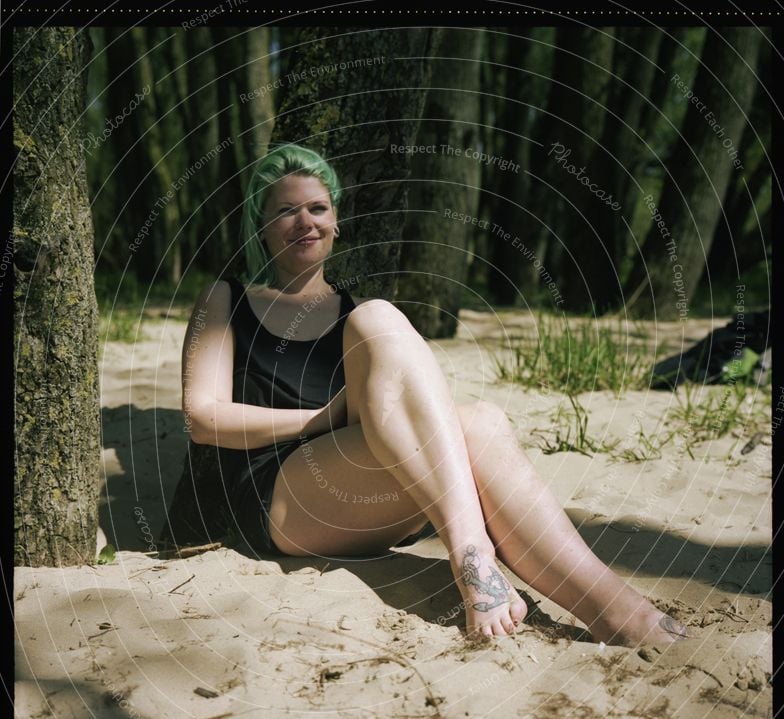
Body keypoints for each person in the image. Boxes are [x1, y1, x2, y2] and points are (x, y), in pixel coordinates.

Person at [181, 143, 689, 645]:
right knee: (401, 344)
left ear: (337, 221)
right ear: (261, 225)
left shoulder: (357, 313)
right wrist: (318, 420)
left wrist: (343, 416)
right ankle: (474, 553)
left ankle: (612, 609)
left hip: (372, 488)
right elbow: (202, 419)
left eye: (317, 208)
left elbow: (393, 412)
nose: (304, 222)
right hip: (280, 496)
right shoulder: (228, 298)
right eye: (286, 211)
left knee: (480, 419)